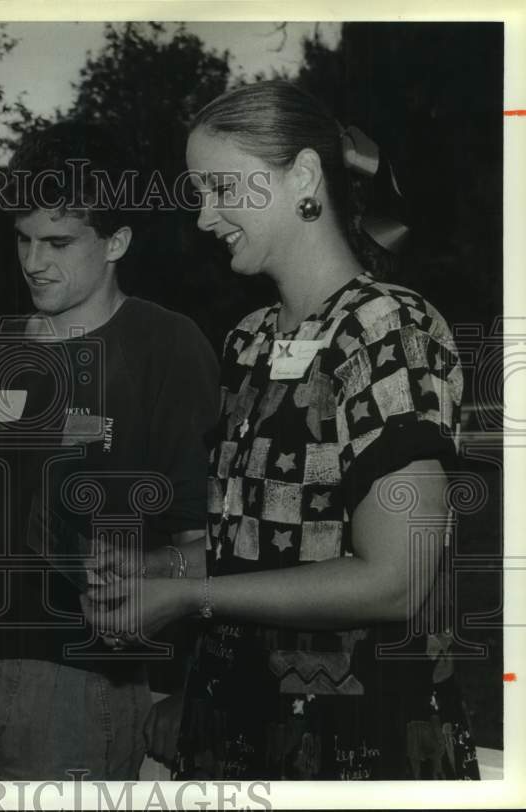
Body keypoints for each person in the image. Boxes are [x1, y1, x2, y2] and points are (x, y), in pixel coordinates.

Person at [85, 80, 480, 780]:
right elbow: (266, 550)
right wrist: (156, 571)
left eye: (222, 188)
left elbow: (395, 579)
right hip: (237, 728)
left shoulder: (387, 329)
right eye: (199, 193)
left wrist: (186, 595)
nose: (205, 217)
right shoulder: (248, 341)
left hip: (355, 742)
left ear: (302, 175)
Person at [0, 121, 220, 780]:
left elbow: (209, 538)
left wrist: (185, 685)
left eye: (58, 242)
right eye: (24, 240)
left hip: (84, 687)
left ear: (116, 241)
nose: (34, 262)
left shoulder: (166, 346)